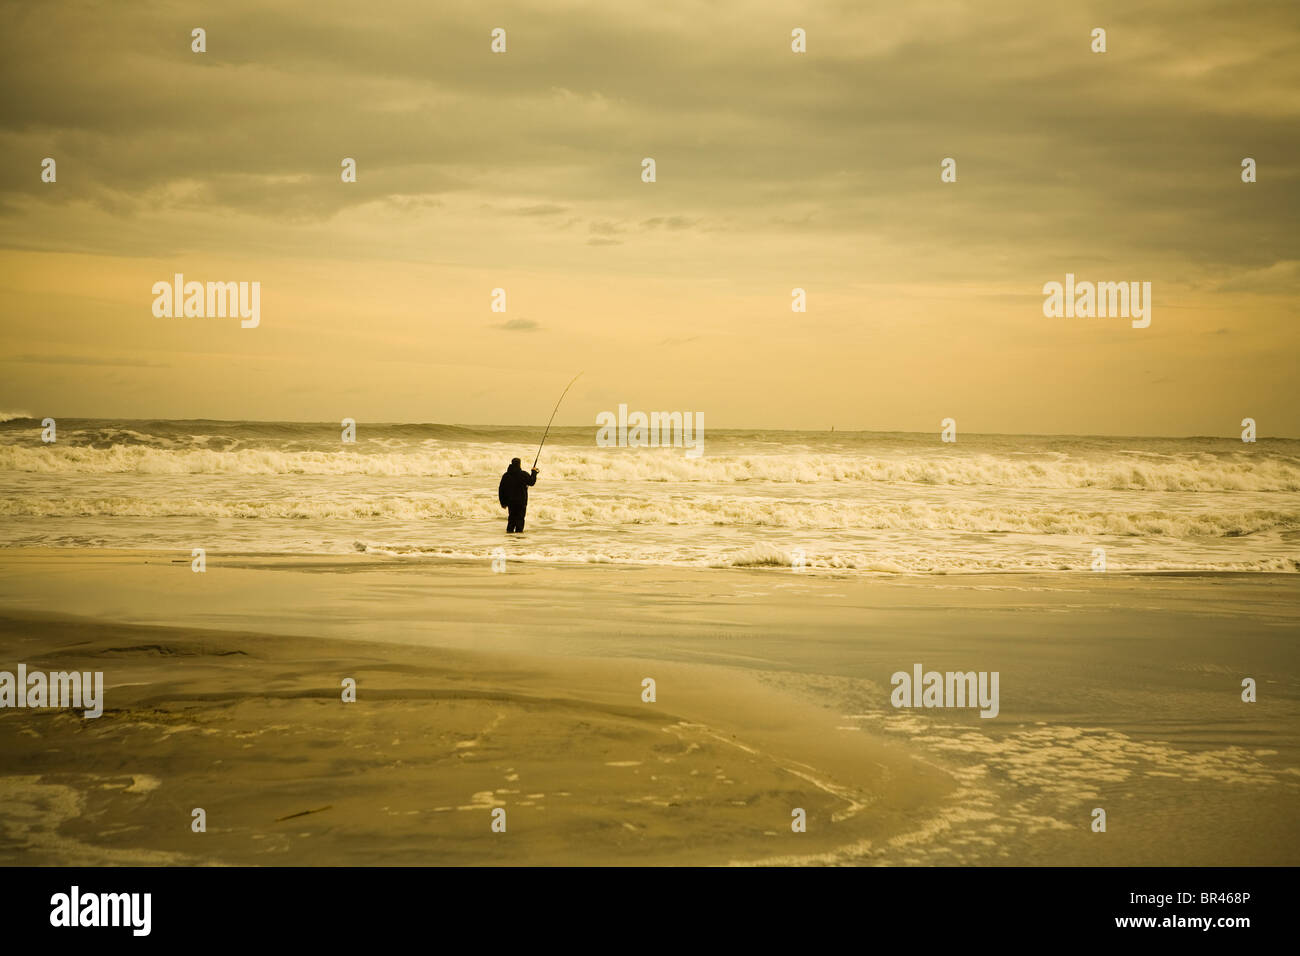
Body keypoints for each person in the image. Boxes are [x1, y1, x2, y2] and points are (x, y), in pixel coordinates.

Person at [498, 458, 538, 533]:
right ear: (519, 464)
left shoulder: (506, 476)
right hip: (521, 502)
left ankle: (510, 538)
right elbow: (532, 482)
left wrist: (503, 502)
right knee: (520, 521)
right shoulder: (523, 474)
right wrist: (534, 472)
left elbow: (501, 490)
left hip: (511, 502)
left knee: (511, 521)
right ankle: (518, 541)